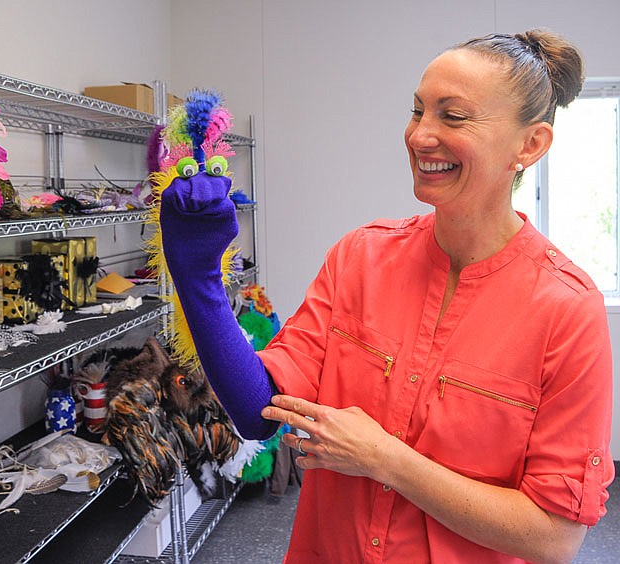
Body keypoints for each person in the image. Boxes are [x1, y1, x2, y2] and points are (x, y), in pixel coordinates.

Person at [158, 29, 614, 563]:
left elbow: (554, 537)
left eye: (453, 116)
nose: (420, 135)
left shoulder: (566, 309)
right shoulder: (361, 257)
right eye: (418, 110)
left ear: (529, 145)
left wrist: (385, 459)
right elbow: (261, 412)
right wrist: (198, 277)